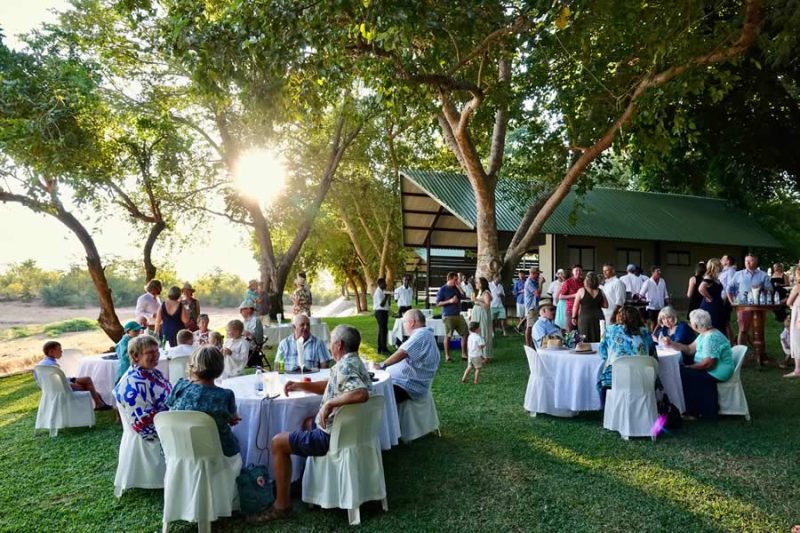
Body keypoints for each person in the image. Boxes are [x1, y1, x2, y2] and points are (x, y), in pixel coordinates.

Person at [252, 325, 372, 523]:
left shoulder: (345, 366)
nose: (330, 346)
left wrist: (330, 404)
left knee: (277, 443)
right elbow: (333, 384)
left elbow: (361, 393)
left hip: (331, 437)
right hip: (351, 431)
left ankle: (282, 505)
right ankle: (313, 484)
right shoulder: (354, 362)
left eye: (331, 342)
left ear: (339, 345)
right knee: (308, 421)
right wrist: (301, 385)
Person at [167, 346, 241, 457]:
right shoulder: (225, 395)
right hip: (217, 453)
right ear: (220, 367)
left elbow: (171, 407)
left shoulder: (180, 386)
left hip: (179, 449)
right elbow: (232, 420)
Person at [673, 309, 735, 420]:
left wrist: (689, 367)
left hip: (717, 372)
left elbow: (708, 364)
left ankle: (694, 411)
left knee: (683, 374)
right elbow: (689, 349)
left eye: (690, 322)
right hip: (711, 368)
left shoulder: (711, 337)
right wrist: (671, 344)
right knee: (683, 371)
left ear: (696, 325)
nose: (689, 324)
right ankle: (695, 409)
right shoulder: (704, 334)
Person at [114, 335, 172, 439]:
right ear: (136, 356)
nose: (156, 355)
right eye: (150, 352)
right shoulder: (133, 383)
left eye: (157, 351)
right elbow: (144, 427)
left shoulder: (153, 373)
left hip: (163, 434)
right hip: (147, 446)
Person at [598, 306, 657, 405]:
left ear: (619, 317)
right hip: (643, 378)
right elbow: (652, 354)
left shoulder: (610, 331)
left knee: (602, 383)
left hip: (617, 377)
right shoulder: (645, 332)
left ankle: (608, 412)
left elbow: (603, 353)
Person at [380, 309, 440, 403]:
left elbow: (402, 352)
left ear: (411, 322)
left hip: (407, 385)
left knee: (374, 396)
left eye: (404, 322)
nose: (404, 326)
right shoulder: (425, 334)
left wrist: (382, 365)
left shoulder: (421, 335)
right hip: (404, 382)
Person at [36, 341, 112, 410]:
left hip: (51, 389)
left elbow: (39, 381)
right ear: (51, 352)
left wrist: (72, 379)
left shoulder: (40, 365)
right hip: (62, 388)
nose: (61, 351)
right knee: (87, 384)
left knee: (86, 380)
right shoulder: (52, 365)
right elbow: (60, 379)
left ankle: (99, 402)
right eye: (59, 349)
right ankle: (99, 403)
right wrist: (72, 380)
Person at [726, 253, 772, 346]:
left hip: (759, 306)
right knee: (743, 330)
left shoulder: (763, 275)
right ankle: (741, 353)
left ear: (756, 261)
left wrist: (761, 288)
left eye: (750, 261)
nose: (748, 263)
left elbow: (770, 290)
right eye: (746, 261)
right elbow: (728, 289)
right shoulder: (738, 274)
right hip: (743, 306)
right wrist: (732, 302)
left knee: (759, 330)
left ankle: (760, 353)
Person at [435, 272, 468, 362]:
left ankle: (464, 354)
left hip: (458, 314)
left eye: (457, 279)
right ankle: (447, 356)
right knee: (448, 336)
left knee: (465, 333)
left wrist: (459, 287)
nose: (457, 281)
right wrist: (450, 301)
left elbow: (464, 296)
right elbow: (437, 303)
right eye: (455, 279)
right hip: (448, 316)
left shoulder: (456, 288)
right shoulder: (443, 289)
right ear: (450, 279)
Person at [572, 272, 607, 342]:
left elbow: (575, 306)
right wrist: (596, 303)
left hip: (585, 317)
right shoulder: (600, 291)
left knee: (584, 337)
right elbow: (606, 305)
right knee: (599, 336)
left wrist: (573, 317)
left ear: (586, 281)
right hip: (598, 316)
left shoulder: (581, 291)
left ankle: (585, 351)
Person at [699, 258, 726, 332]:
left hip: (717, 304)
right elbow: (701, 288)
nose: (721, 266)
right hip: (711, 306)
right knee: (713, 326)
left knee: (720, 325)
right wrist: (709, 297)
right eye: (719, 265)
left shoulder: (714, 278)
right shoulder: (709, 277)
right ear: (715, 266)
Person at [114, 320, 144, 385]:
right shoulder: (124, 341)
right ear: (128, 331)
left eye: (139, 330)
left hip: (134, 366)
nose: (138, 333)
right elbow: (124, 355)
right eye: (135, 331)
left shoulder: (136, 339)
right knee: (123, 384)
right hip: (125, 367)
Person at [471, 277, 494, 362]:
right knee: (478, 334)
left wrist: (476, 300)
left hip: (483, 315)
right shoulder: (479, 292)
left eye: (477, 283)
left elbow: (487, 306)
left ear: (482, 284)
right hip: (477, 314)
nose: (476, 284)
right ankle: (480, 354)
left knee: (484, 333)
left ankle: (487, 356)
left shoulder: (486, 293)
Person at [559, 265, 584, 331]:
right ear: (572, 272)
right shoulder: (568, 282)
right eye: (576, 270)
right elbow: (560, 296)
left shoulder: (584, 282)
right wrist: (574, 295)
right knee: (570, 332)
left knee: (581, 332)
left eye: (580, 270)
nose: (578, 272)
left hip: (582, 310)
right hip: (570, 310)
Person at [784, 273, 800, 378]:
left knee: (797, 339)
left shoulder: (798, 287)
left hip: (798, 315)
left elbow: (789, 301)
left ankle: (798, 369)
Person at [719, 254, 737, 342]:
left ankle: (731, 341)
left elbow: (730, 286)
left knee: (726, 321)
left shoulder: (731, 271)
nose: (721, 260)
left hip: (725, 299)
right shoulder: (724, 271)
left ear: (728, 261)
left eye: (723, 259)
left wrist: (726, 298)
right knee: (724, 321)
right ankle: (729, 340)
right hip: (721, 299)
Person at [523, 268, 542, 346]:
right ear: (533, 273)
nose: (539, 275)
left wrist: (539, 283)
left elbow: (539, 293)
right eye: (538, 274)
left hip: (534, 306)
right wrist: (541, 283)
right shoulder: (529, 282)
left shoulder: (534, 282)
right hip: (531, 307)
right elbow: (537, 293)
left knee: (533, 325)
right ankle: (528, 344)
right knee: (530, 326)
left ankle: (531, 343)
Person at [373, 278, 391, 355]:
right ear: (380, 284)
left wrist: (387, 297)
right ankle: (384, 349)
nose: (386, 285)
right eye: (384, 283)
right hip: (380, 312)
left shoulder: (381, 291)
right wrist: (386, 296)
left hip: (383, 312)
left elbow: (387, 304)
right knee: (383, 330)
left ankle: (380, 348)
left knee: (382, 330)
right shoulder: (378, 292)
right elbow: (381, 304)